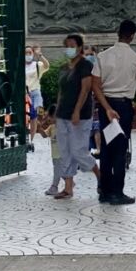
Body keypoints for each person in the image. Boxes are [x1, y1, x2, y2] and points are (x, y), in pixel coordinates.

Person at [92, 18, 136, 206]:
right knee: (120, 151)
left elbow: (95, 85)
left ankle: (104, 191)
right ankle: (118, 192)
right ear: (132, 36)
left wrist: (106, 108)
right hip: (123, 107)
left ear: (118, 33)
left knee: (105, 149)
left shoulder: (102, 57)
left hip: (106, 106)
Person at [46, 40, 103, 200]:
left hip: (81, 115)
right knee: (66, 151)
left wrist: (77, 110)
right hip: (64, 114)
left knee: (78, 150)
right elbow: (61, 91)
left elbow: (86, 90)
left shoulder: (88, 68)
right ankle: (68, 187)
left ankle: (100, 175)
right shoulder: (65, 69)